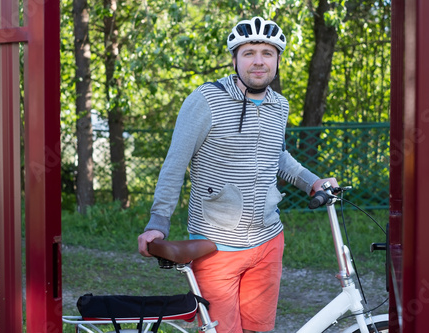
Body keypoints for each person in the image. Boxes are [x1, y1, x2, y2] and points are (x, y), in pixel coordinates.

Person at [138, 16, 338, 333]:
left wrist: (313, 181)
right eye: (249, 52)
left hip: (268, 241)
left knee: (260, 329)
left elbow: (279, 156)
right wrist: (158, 221)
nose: (258, 61)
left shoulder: (279, 105)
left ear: (277, 60)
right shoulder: (206, 100)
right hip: (215, 245)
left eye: (267, 53)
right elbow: (176, 162)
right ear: (235, 59)